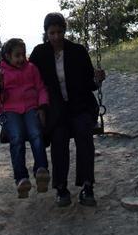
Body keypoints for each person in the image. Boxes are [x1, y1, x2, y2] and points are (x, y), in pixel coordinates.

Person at [29, 12, 106, 208]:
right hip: (55, 110)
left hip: (80, 105)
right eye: (52, 32)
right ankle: (61, 188)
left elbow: (90, 84)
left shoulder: (78, 51)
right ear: (46, 33)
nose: (56, 37)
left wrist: (97, 79)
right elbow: (27, 78)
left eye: (59, 32)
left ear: (65, 31)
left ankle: (87, 186)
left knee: (84, 135)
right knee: (59, 139)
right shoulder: (39, 54)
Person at [0, 37, 51, 198]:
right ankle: (21, 178)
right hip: (10, 110)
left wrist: (43, 107)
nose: (21, 59)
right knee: (16, 137)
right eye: (17, 55)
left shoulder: (31, 69)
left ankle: (41, 170)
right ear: (8, 56)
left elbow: (41, 88)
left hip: (31, 107)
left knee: (36, 134)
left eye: (23, 55)